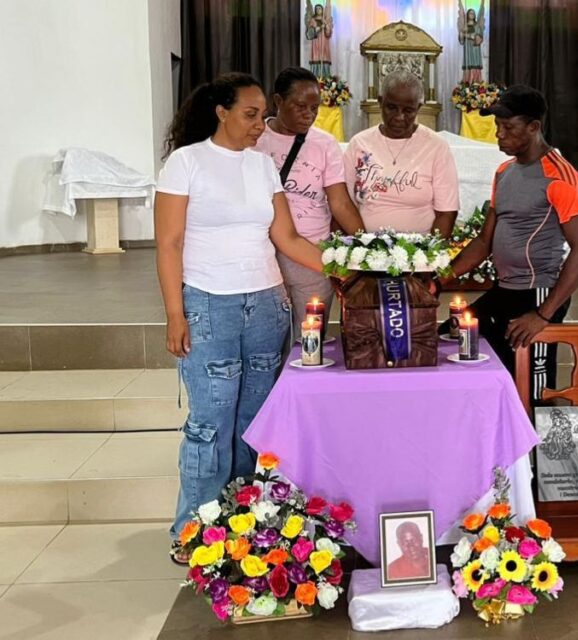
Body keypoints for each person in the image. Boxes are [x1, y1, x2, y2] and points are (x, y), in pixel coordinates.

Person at [155, 72, 325, 564]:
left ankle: (245, 525)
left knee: (255, 423)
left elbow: (287, 239)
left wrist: (345, 269)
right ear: (221, 112)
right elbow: (169, 244)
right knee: (210, 422)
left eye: (259, 115)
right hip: (209, 304)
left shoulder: (262, 166)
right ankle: (194, 531)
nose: (259, 125)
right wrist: (174, 312)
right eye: (250, 115)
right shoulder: (185, 163)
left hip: (267, 305)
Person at [434, 85, 578, 399]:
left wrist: (544, 314)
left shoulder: (560, 176)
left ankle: (534, 441)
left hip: (539, 294)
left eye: (508, 128)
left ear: (534, 127)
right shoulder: (505, 172)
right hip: (506, 290)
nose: (499, 135)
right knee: (453, 336)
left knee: (530, 386)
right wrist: (440, 279)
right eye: (498, 127)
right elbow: (484, 242)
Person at [255, 66, 364, 339]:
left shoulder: (324, 144)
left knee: (310, 339)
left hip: (312, 253)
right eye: (301, 106)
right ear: (278, 101)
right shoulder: (255, 140)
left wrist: (366, 246)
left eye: (315, 108)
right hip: (263, 253)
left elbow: (339, 202)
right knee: (269, 341)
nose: (309, 115)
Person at [343, 70, 459, 236]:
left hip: (420, 250)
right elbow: (345, 204)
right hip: (366, 249)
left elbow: (446, 212)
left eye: (408, 111)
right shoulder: (359, 144)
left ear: (418, 108)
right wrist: (360, 245)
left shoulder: (436, 147)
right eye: (391, 107)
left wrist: (432, 253)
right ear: (380, 102)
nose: (399, 117)